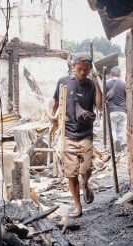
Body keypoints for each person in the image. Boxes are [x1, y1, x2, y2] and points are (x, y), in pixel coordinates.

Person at [49, 53, 103, 218]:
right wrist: (52, 116)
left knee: (85, 169)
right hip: (68, 134)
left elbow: (100, 107)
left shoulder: (91, 84)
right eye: (80, 69)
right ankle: (78, 207)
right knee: (71, 173)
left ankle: (85, 184)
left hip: (86, 134)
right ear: (73, 67)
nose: (82, 73)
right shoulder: (63, 82)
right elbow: (55, 103)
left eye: (86, 70)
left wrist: (97, 83)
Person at [105, 66, 127, 153]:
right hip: (123, 111)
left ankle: (115, 141)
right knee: (120, 130)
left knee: (113, 129)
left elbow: (104, 97)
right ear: (120, 75)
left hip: (112, 110)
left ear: (111, 74)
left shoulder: (106, 83)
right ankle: (120, 145)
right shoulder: (124, 84)